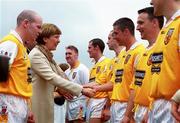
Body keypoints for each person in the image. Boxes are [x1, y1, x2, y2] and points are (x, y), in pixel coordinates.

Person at [29, 23, 96, 123]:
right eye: (56, 37)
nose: (59, 40)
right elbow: (52, 77)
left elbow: (60, 74)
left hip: (49, 107)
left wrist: (84, 87)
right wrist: (81, 90)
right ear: (45, 39)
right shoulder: (37, 55)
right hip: (38, 107)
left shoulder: (47, 56)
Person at [121, 7, 164, 123]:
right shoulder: (142, 54)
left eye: (141, 23)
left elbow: (163, 84)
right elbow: (135, 87)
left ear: (154, 22)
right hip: (138, 111)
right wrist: (127, 115)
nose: (137, 27)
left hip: (155, 111)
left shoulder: (164, 49)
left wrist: (150, 110)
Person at [0, 10, 42, 123]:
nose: (40, 31)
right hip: (8, 103)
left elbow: (24, 82)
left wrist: (27, 108)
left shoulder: (21, 47)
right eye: (38, 27)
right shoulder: (10, 43)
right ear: (26, 23)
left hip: (19, 104)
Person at [148, 0, 180, 122]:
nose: (151, 2)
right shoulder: (165, 29)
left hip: (173, 108)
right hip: (157, 107)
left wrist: (178, 97)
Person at [109, 17, 145, 123]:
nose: (114, 37)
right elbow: (114, 82)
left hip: (127, 106)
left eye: (116, 33)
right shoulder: (122, 53)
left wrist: (127, 115)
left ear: (126, 31)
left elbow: (137, 86)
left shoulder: (140, 51)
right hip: (115, 105)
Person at [84, 38, 111, 123]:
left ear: (97, 48)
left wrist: (107, 107)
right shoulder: (93, 66)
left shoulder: (107, 63)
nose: (88, 50)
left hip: (101, 101)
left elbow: (109, 85)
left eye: (89, 48)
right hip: (92, 101)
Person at [65, 45, 89, 123]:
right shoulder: (66, 71)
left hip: (79, 107)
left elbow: (88, 89)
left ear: (76, 55)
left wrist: (85, 110)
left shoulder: (82, 69)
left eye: (70, 53)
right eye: (66, 54)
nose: (67, 56)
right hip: (68, 106)